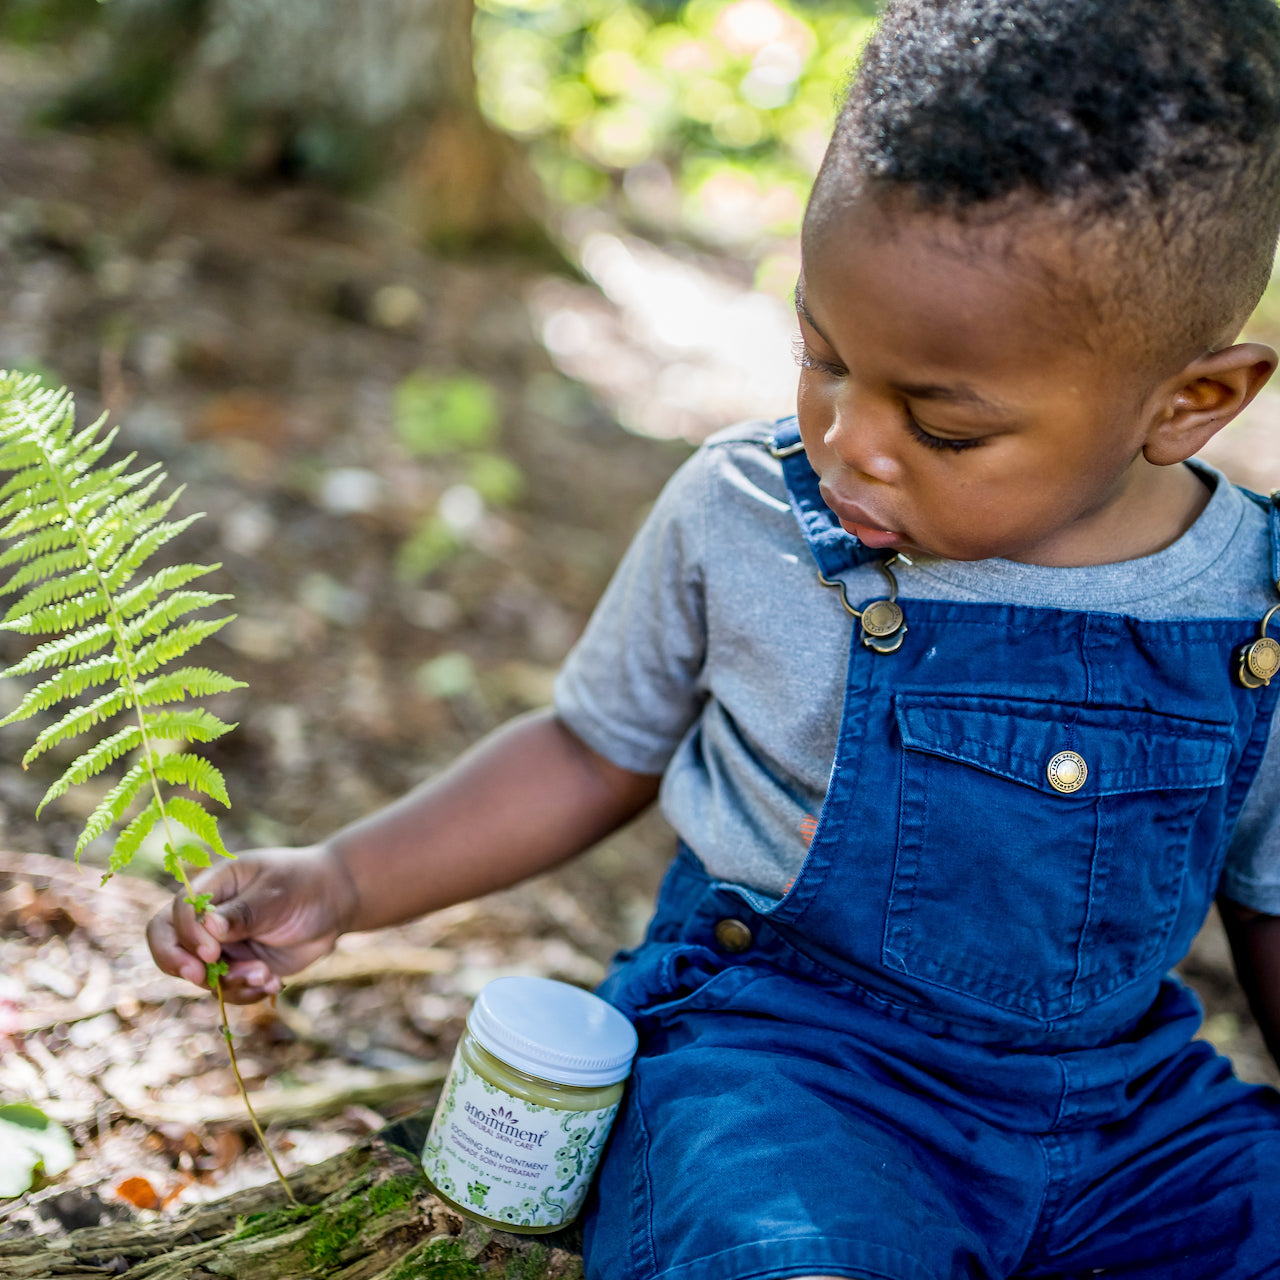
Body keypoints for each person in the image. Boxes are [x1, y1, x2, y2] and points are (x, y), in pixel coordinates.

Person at [149, 0, 1280, 1275]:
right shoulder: (748, 515)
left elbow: (1270, 900)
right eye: (821, 352)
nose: (848, 438)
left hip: (1127, 1116)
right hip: (790, 1075)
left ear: (1189, 402)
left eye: (943, 427)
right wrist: (344, 880)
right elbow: (591, 746)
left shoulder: (1251, 603)